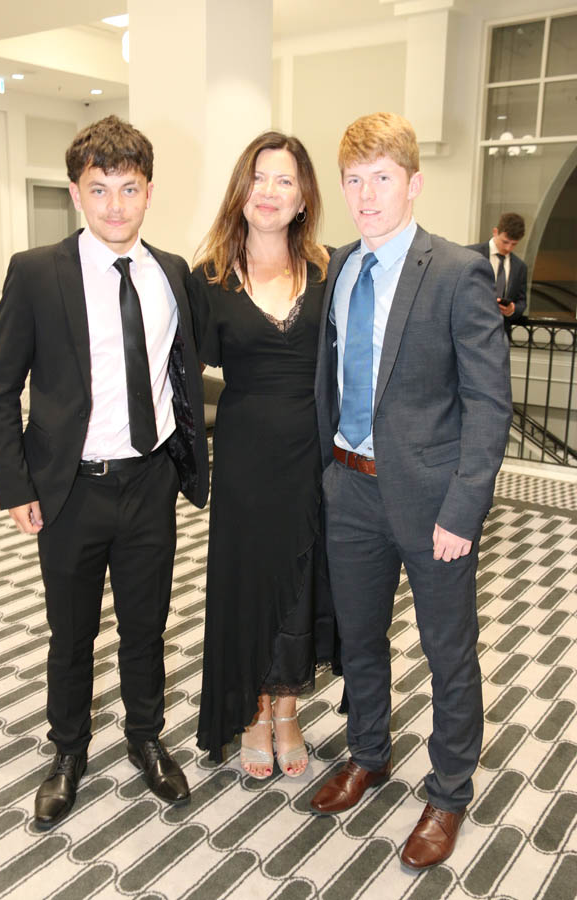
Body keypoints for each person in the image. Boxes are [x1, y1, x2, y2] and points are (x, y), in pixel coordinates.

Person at [0, 116, 209, 828]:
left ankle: (146, 737)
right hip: (71, 487)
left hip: (149, 481)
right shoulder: (35, 272)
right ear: (77, 192)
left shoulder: (171, 273)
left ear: (149, 192)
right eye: (100, 189)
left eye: (129, 188)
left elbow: (186, 368)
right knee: (71, 631)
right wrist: (16, 485)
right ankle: (67, 751)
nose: (115, 205)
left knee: (146, 626)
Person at [310, 113, 512, 869]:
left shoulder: (457, 271)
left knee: (447, 651)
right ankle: (368, 751)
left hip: (433, 504)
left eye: (382, 178)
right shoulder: (337, 267)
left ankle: (450, 790)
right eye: (353, 180)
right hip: (350, 489)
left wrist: (464, 508)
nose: (366, 195)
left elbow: (489, 403)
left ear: (413, 183)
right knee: (359, 638)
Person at [189, 131, 334, 779]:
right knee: (247, 581)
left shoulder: (328, 273)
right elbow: (179, 373)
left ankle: (287, 708)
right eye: (258, 178)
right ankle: (251, 708)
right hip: (245, 458)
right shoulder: (209, 279)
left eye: (284, 180)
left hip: (312, 453)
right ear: (240, 191)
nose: (269, 192)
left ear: (303, 198)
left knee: (300, 579)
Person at [467, 212, 527, 334]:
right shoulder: (470, 254)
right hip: (469, 327)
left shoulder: (520, 266)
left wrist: (512, 309)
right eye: (505, 242)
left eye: (514, 244)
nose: (508, 248)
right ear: (495, 232)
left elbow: (521, 302)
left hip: (500, 332)